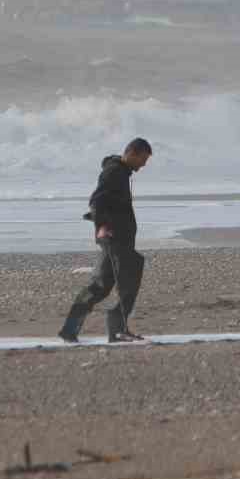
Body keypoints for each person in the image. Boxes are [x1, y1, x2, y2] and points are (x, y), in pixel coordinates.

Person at [57, 138, 153, 343]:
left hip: (116, 238)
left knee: (100, 285)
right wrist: (102, 226)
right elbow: (96, 200)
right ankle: (118, 330)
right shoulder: (114, 172)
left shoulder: (121, 172)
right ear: (132, 153)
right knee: (129, 278)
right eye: (143, 159)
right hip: (114, 238)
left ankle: (70, 329)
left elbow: (107, 202)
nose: (144, 165)